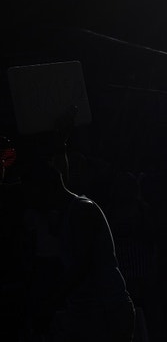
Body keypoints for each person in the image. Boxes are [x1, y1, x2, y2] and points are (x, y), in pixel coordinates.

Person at [19, 139, 135, 342]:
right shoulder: (71, 211)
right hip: (94, 311)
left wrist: (49, 304)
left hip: (105, 310)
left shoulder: (82, 211)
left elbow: (81, 267)